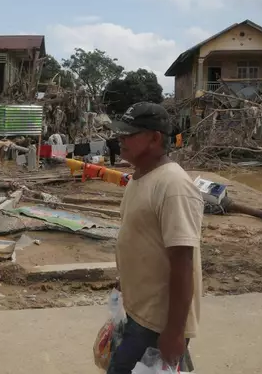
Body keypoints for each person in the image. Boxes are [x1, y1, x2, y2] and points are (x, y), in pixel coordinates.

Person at [107, 102, 203, 374]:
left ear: (155, 137)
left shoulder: (173, 186)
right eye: (120, 134)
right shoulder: (140, 179)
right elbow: (143, 240)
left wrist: (174, 332)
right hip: (138, 312)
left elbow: (183, 263)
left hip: (157, 323)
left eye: (129, 134)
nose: (120, 140)